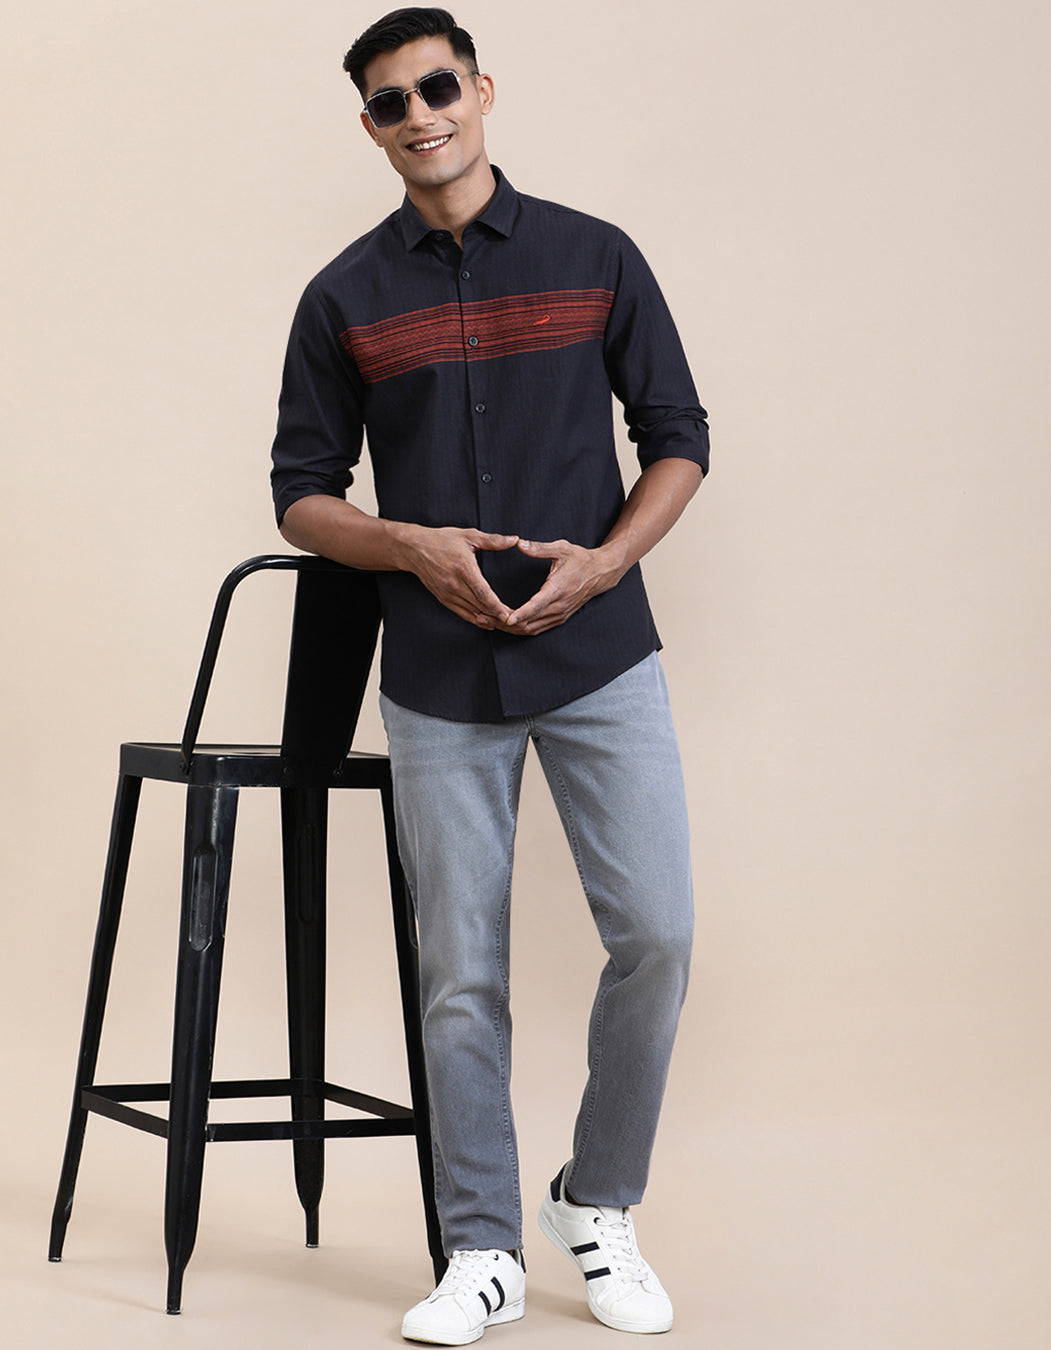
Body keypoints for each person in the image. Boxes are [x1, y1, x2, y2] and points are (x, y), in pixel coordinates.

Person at [270, 8, 708, 1343]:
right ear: (369, 127)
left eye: (438, 87)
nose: (422, 116)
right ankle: (480, 1248)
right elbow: (302, 494)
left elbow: (679, 435)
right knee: (459, 970)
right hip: (437, 669)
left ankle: (597, 1200)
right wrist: (406, 543)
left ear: (482, 89)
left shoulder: (596, 256)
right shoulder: (342, 297)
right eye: (391, 102)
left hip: (599, 653)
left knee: (658, 932)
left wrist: (607, 562)